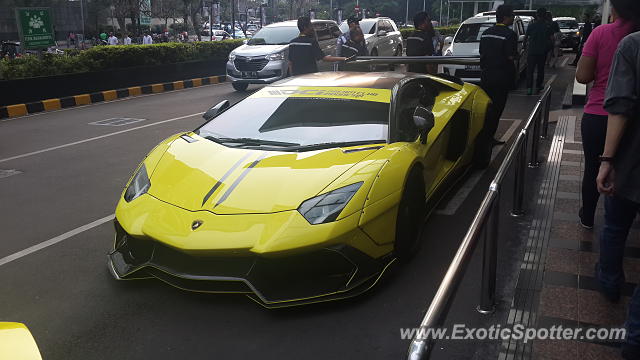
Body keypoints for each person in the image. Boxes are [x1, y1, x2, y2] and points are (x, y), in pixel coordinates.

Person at [595, 18, 640, 359]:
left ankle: (609, 283)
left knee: (614, 226)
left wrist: (607, 158)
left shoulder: (633, 45)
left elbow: (621, 108)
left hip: (630, 162)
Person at [575, 0, 638, 229]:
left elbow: (582, 76)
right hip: (634, 120)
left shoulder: (601, 33)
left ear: (615, 9)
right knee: (630, 170)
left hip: (598, 114)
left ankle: (588, 216)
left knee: (593, 167)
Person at [479, 4, 518, 146]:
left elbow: (482, 53)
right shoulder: (510, 35)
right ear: (506, 17)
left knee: (486, 108)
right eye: (512, 15)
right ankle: (488, 138)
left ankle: (482, 135)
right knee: (497, 109)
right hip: (501, 78)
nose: (513, 18)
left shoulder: (486, 33)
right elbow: (511, 57)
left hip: (486, 76)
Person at [524, 8, 553, 95]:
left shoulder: (531, 25)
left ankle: (529, 88)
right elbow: (552, 39)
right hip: (542, 52)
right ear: (545, 16)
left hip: (532, 51)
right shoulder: (548, 26)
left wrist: (525, 46)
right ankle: (537, 87)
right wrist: (549, 48)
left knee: (530, 70)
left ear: (537, 15)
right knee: (540, 70)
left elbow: (526, 38)